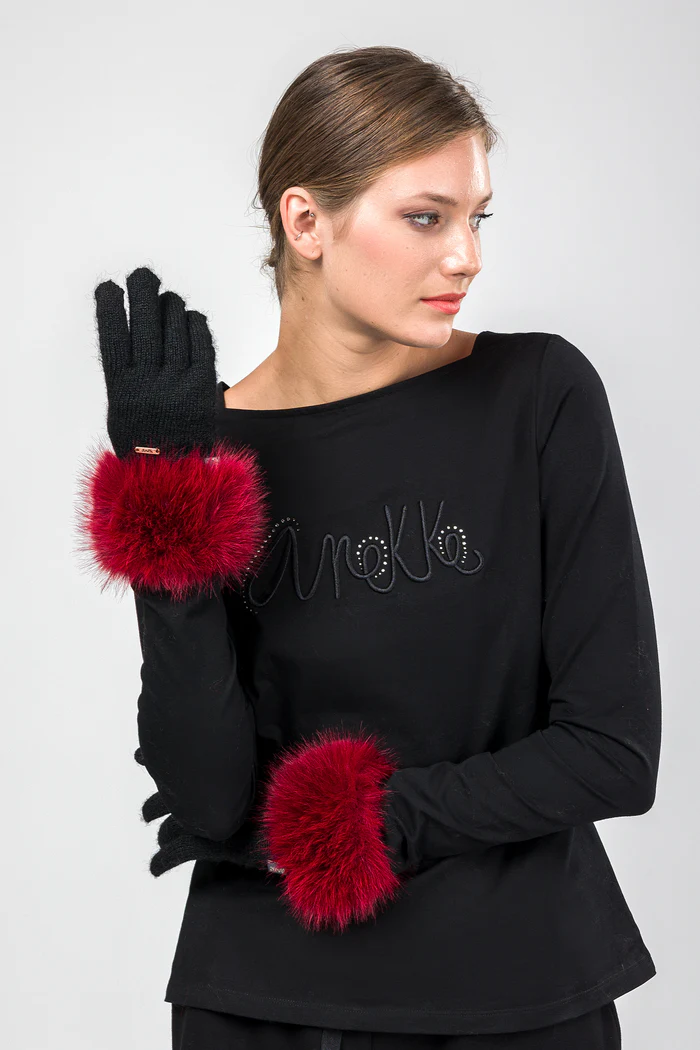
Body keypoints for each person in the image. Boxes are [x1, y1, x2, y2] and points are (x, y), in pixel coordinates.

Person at [76, 45, 661, 1050]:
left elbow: (612, 753)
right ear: (306, 222)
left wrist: (356, 821)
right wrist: (166, 490)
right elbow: (208, 794)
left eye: (477, 218)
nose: (467, 255)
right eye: (427, 217)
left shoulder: (537, 397)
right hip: (260, 1005)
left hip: (520, 998)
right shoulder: (213, 450)